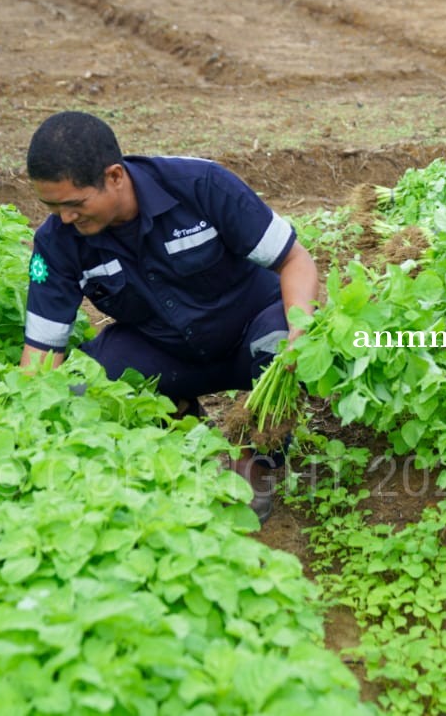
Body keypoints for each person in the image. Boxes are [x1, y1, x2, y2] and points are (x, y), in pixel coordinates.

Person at [20, 111, 319, 522]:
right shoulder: (56, 241)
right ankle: (180, 422)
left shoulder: (201, 185)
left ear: (114, 176)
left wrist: (301, 332)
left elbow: (295, 261)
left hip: (251, 337)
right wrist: (24, 435)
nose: (64, 218)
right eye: (51, 206)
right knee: (84, 382)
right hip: (168, 354)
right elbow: (40, 355)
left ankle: (254, 458)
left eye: (74, 204)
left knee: (282, 339)